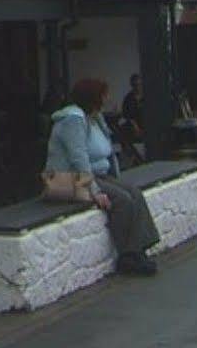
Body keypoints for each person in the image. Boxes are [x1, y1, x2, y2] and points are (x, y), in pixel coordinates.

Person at [42, 77, 160, 275]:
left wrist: (115, 177)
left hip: (96, 175)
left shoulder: (94, 118)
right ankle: (127, 256)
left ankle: (140, 248)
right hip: (63, 180)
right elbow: (78, 158)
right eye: (104, 95)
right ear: (93, 97)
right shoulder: (73, 120)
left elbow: (107, 149)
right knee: (122, 200)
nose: (107, 98)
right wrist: (95, 191)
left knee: (135, 194)